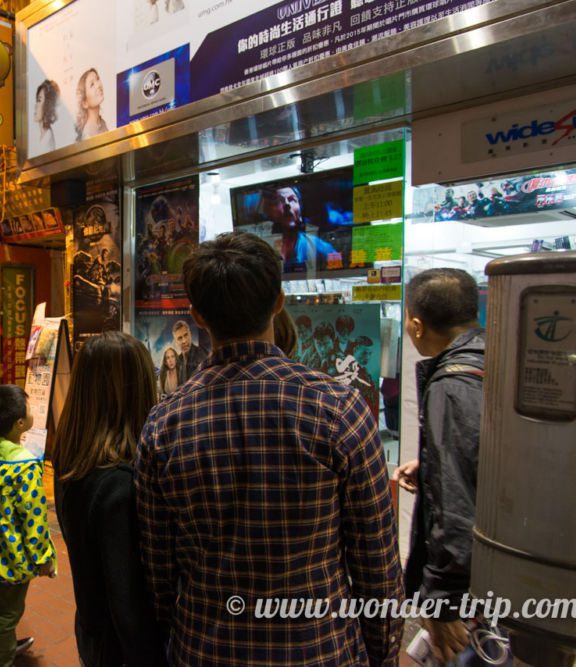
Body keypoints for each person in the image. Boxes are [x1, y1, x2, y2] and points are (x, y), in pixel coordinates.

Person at [135, 232, 403, 665]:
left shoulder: (163, 425)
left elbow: (159, 574)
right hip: (321, 649)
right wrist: (384, 654)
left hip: (205, 649)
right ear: (280, 302)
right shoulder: (338, 409)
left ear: (198, 316)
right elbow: (378, 565)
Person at [53, 332, 166, 667]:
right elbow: (128, 603)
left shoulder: (71, 461)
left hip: (91, 629)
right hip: (119, 648)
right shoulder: (119, 487)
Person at [393, 268, 488, 665]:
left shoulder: (451, 385)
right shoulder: (496, 356)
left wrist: (443, 601)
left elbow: (456, 501)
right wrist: (431, 463)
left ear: (416, 326)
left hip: (470, 587)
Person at [0, 384, 57, 665]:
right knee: (10, 612)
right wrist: (44, 558)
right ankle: (1, 658)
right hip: (15, 554)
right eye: (29, 409)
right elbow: (34, 519)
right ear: (20, 423)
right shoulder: (26, 466)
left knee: (1, 599)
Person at [261, 185, 338, 271]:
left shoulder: (319, 247)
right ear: (268, 211)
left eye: (292, 199)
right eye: (278, 201)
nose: (287, 205)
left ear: (300, 208)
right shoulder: (261, 248)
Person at [75, 68, 108, 141]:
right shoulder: (87, 134)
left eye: (98, 79)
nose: (98, 85)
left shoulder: (102, 123)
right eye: (92, 84)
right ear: (85, 103)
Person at [32, 79, 60, 154]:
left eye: (39, 100)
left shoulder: (47, 141)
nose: (35, 106)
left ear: (47, 105)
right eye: (36, 100)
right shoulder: (42, 135)